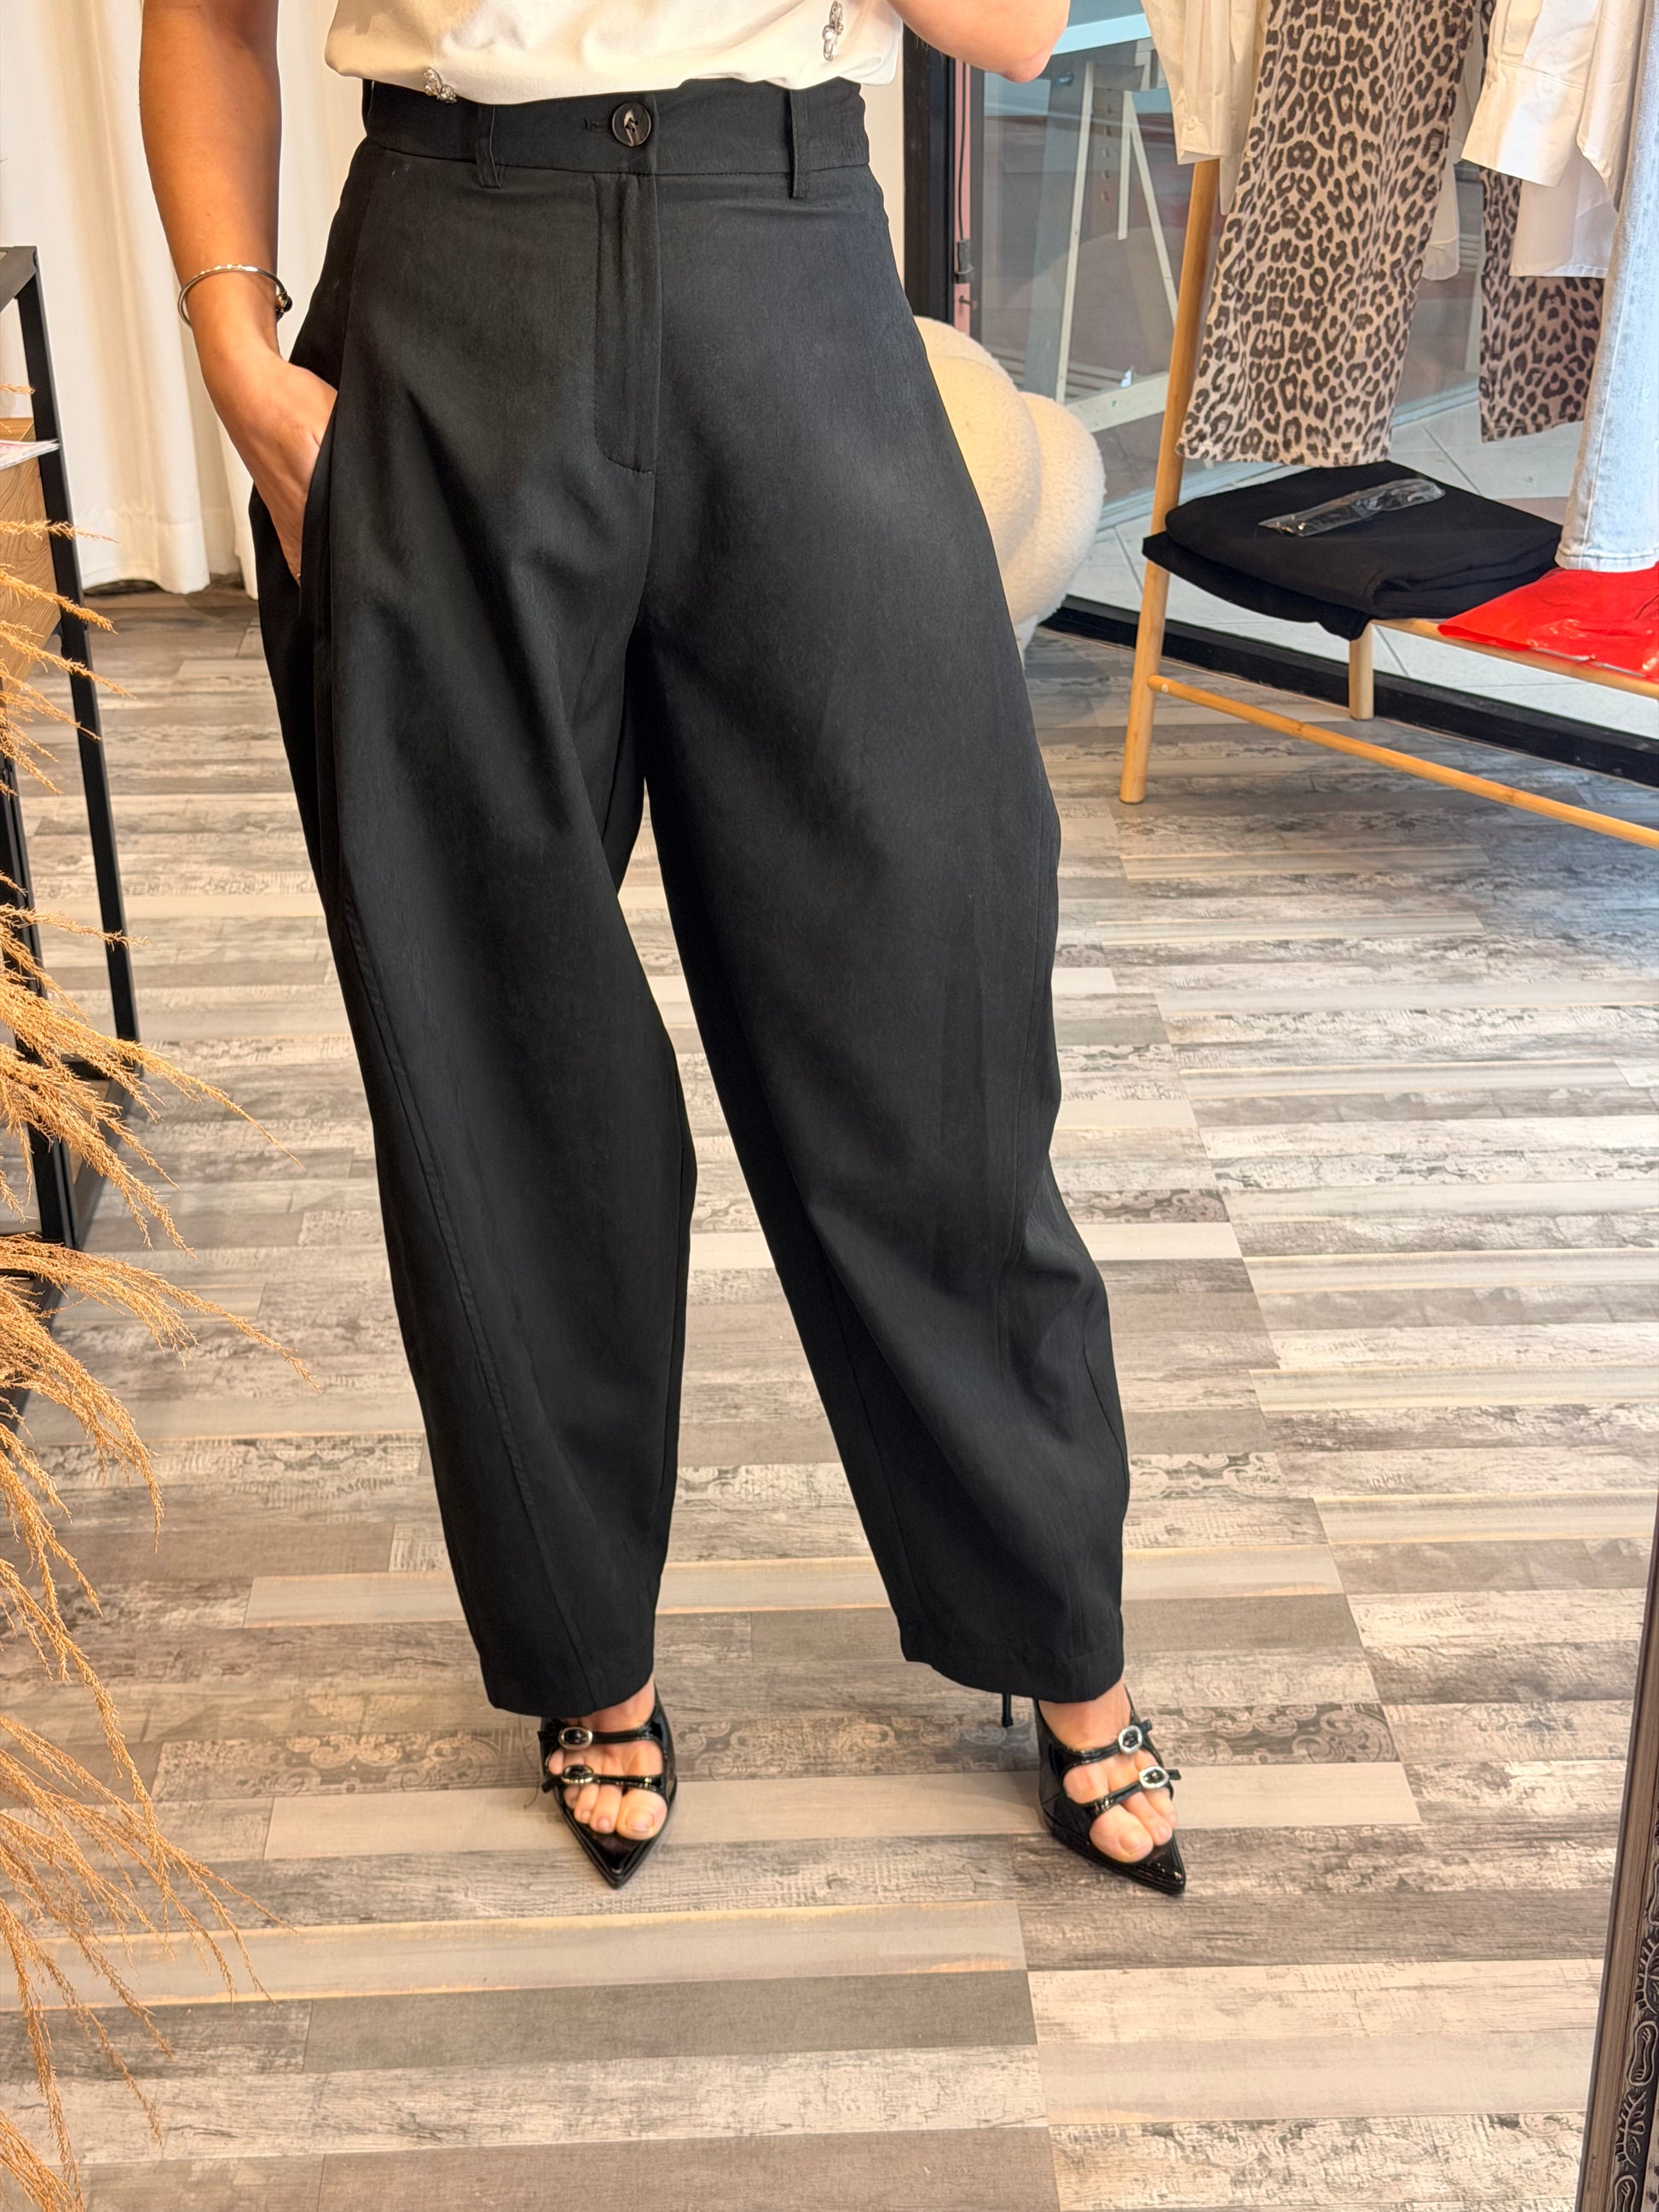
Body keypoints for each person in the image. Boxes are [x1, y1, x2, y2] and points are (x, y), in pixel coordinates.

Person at [140, 0, 1184, 1893]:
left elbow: (1018, 29)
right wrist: (235, 350)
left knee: (926, 1010)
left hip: (785, 262)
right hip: (450, 289)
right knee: (496, 1039)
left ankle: (1055, 1617)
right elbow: (204, 15)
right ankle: (589, 1660)